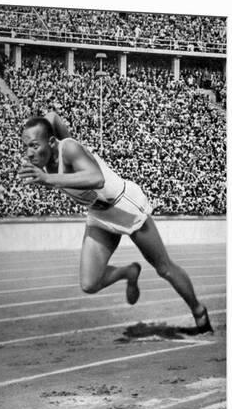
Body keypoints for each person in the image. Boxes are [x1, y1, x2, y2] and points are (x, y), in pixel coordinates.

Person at [18, 112, 213, 333]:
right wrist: (42, 133)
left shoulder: (69, 149)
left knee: (164, 268)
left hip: (124, 206)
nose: (30, 153)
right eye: (26, 147)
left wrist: (49, 179)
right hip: (99, 215)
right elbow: (51, 117)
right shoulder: (44, 160)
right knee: (89, 284)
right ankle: (128, 272)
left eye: (34, 145)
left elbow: (97, 179)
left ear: (51, 141)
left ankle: (199, 312)